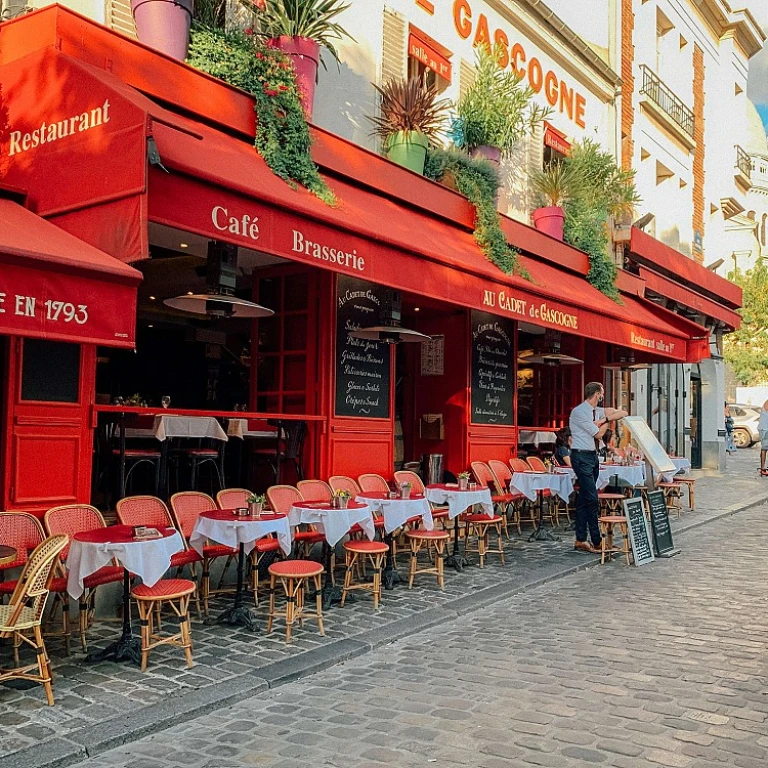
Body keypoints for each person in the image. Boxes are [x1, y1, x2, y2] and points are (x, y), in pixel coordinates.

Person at [569, 382, 628, 553]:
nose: (603, 397)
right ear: (597, 394)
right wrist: (606, 422)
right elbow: (599, 434)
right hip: (581, 456)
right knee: (592, 498)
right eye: (602, 394)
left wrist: (604, 419)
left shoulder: (599, 412)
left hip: (592, 457)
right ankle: (596, 541)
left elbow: (623, 412)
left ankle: (580, 539)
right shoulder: (580, 412)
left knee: (583, 499)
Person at [759, 400, 768, 476]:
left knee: (764, 448)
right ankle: (762, 468)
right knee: (764, 448)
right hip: (765, 429)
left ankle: (763, 468)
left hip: (765, 428)